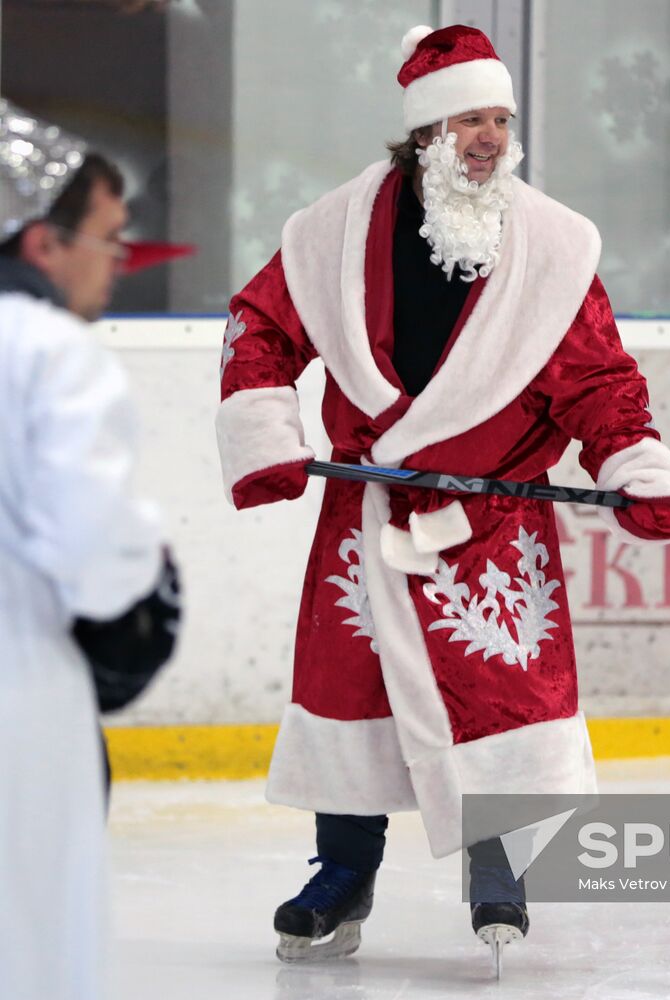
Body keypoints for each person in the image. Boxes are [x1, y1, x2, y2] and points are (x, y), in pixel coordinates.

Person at [215, 24, 670, 969]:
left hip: (493, 521)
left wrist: (637, 467)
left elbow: (598, 382)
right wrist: (269, 436)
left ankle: (498, 871)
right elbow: (260, 325)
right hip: (369, 515)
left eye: (502, 119)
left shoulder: (553, 247)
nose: (490, 136)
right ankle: (342, 875)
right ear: (425, 131)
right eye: (471, 117)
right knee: (349, 698)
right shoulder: (329, 235)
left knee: (499, 699)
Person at [0, 99, 182, 1000]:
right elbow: (94, 544)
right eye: (108, 238)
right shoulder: (46, 351)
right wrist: (145, 586)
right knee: (28, 934)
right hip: (18, 690)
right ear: (42, 244)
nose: (119, 262)